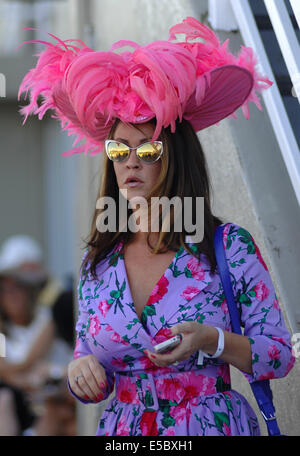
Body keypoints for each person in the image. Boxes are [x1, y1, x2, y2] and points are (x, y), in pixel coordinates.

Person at [17, 17, 295, 436]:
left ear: (175, 158)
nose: (130, 161)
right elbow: (89, 367)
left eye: (147, 149)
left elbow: (277, 355)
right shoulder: (98, 261)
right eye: (118, 149)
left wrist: (211, 340)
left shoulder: (228, 245)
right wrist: (80, 372)